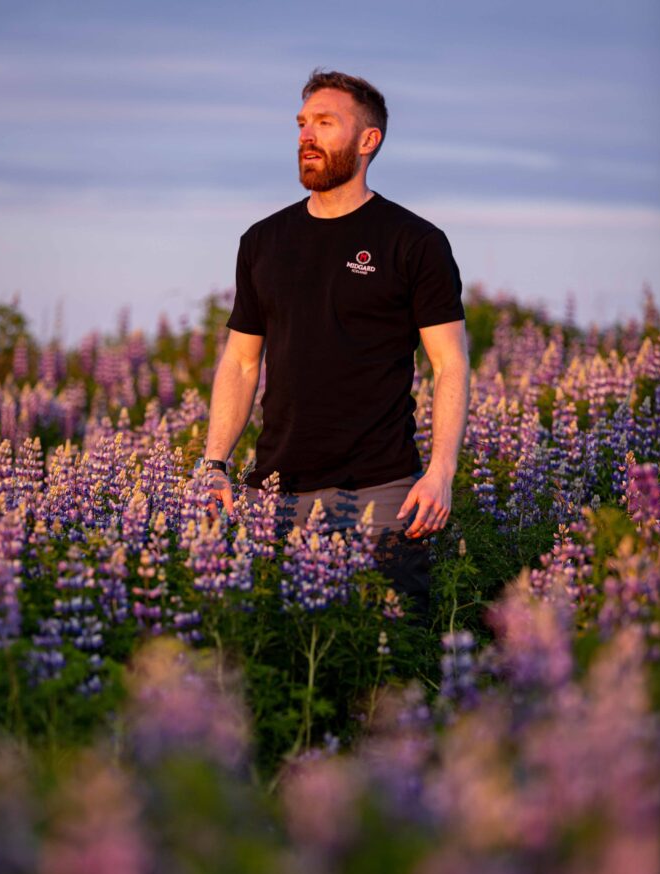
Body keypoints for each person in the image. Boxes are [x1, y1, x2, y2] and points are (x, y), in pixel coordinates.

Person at [196, 69, 470, 621]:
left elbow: (450, 366)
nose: (306, 136)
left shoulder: (414, 241)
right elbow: (242, 363)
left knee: (389, 659)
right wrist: (215, 464)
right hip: (275, 490)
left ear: (368, 140)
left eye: (325, 123)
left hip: (384, 489)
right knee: (283, 661)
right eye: (302, 124)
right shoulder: (263, 241)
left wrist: (440, 472)